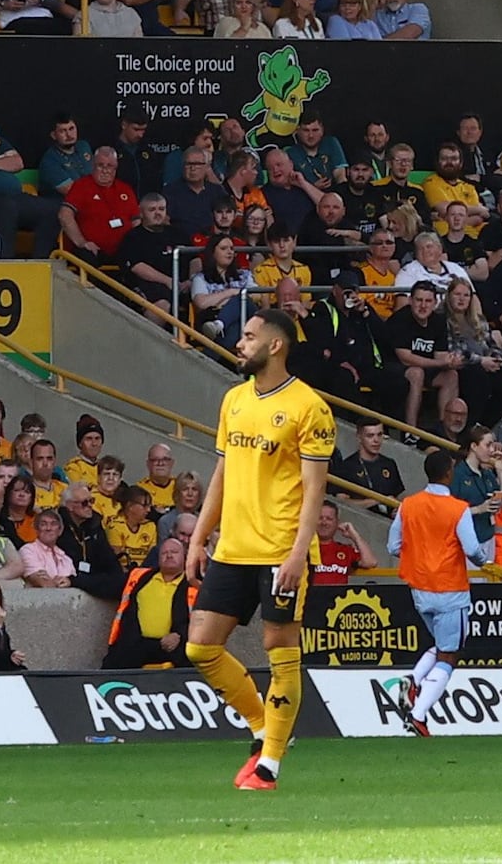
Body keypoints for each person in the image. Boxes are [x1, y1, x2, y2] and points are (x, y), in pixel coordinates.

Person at [175, 314, 335, 793]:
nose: (239, 344)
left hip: (279, 549)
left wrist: (297, 554)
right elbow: (222, 473)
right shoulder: (234, 400)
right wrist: (200, 538)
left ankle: (269, 765)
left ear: (277, 344)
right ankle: (263, 725)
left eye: (249, 336)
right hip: (233, 547)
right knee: (200, 644)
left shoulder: (309, 408)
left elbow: (314, 491)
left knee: (280, 649)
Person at [385, 467, 490, 735]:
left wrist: (419, 556)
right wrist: (483, 562)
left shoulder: (409, 505)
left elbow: (393, 546)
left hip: (420, 589)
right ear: (448, 475)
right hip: (450, 588)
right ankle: (418, 715)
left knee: (441, 644)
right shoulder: (457, 508)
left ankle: (413, 679)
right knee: (451, 653)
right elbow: (471, 549)